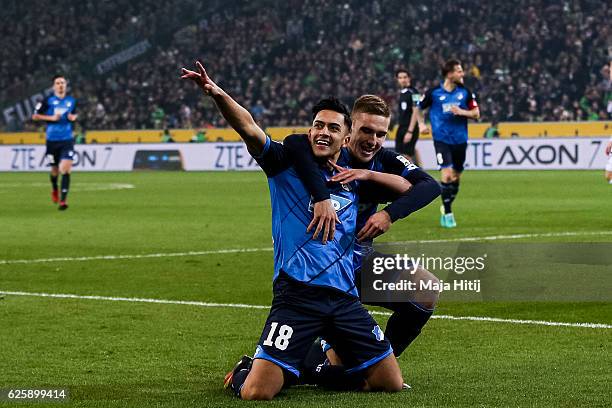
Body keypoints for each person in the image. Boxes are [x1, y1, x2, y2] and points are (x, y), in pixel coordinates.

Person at [181, 61, 408, 400]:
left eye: (332, 128)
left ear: (344, 138)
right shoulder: (283, 165)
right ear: (310, 129)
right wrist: (217, 94)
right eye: (318, 125)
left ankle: (306, 368)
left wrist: (369, 176)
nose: (323, 132)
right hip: (296, 296)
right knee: (257, 393)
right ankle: (245, 371)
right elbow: (249, 127)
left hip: (345, 299)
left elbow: (406, 187)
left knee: (389, 384)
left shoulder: (352, 178)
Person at [283, 95, 441, 374]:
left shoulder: (384, 159)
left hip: (357, 260)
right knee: (333, 361)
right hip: (322, 265)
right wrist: (321, 196)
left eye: (381, 134)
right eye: (366, 131)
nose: (373, 140)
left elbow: (429, 186)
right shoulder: (329, 152)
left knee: (425, 287)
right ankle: (318, 361)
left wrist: (387, 211)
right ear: (347, 129)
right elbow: (295, 142)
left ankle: (376, 366)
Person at [410, 59, 480, 228]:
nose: (462, 74)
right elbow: (419, 108)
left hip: (460, 140)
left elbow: (476, 114)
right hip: (441, 140)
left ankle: (446, 204)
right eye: (459, 71)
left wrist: (462, 111)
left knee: (456, 177)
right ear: (449, 74)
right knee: (447, 174)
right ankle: (448, 213)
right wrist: (421, 124)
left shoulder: (466, 92)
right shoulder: (434, 92)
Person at [32, 75, 77, 210]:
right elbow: (35, 116)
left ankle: (63, 201)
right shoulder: (47, 101)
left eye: (62, 83)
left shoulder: (72, 101)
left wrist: (73, 117)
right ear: (53, 86)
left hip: (67, 140)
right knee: (54, 170)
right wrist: (51, 117)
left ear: (66, 85)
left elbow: (75, 114)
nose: (60, 85)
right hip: (52, 141)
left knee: (66, 169)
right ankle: (54, 188)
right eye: (58, 83)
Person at [394, 69, 422, 165]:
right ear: (397, 79)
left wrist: (410, 131)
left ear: (409, 78)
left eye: (405, 77)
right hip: (401, 127)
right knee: (400, 155)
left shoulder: (415, 92)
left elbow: (416, 110)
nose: (403, 80)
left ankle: (413, 178)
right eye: (400, 78)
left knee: (406, 157)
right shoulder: (402, 93)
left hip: (410, 128)